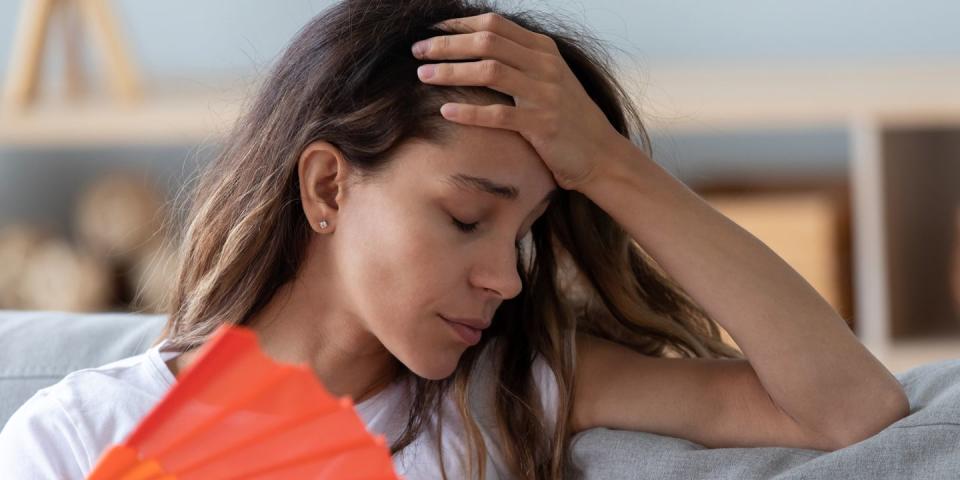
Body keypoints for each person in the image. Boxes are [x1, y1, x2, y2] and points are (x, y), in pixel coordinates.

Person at [0, 0, 910, 478]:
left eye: (527, 236)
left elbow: (850, 413)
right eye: (468, 217)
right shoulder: (77, 438)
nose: (508, 279)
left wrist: (610, 167)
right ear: (327, 185)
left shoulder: (508, 395)